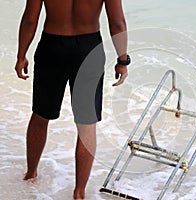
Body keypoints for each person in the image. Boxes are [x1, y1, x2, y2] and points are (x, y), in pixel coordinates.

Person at [14, 0, 130, 199]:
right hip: (89, 48)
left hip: (52, 47)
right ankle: (79, 192)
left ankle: (31, 174)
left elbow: (30, 20)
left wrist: (21, 55)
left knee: (41, 114)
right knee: (87, 124)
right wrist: (122, 60)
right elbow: (117, 22)